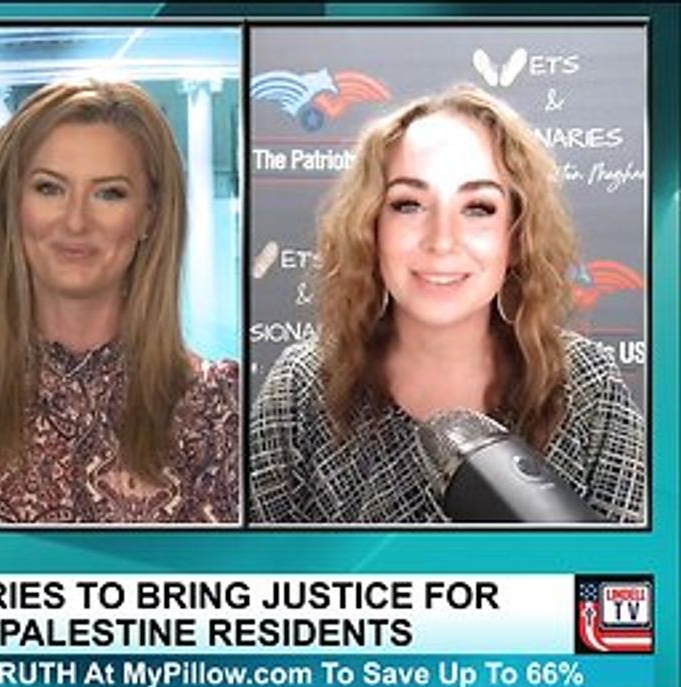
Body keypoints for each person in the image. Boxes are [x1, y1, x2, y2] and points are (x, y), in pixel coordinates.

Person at [248, 85, 646, 524]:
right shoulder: (300, 387)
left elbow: (636, 565)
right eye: (408, 205)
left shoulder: (587, 385)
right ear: (370, 228)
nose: (442, 241)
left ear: (516, 236)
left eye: (478, 208)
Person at [0, 80, 239, 524]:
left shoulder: (217, 403)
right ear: (11, 206)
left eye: (109, 193)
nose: (76, 221)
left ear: (149, 217)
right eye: (49, 188)